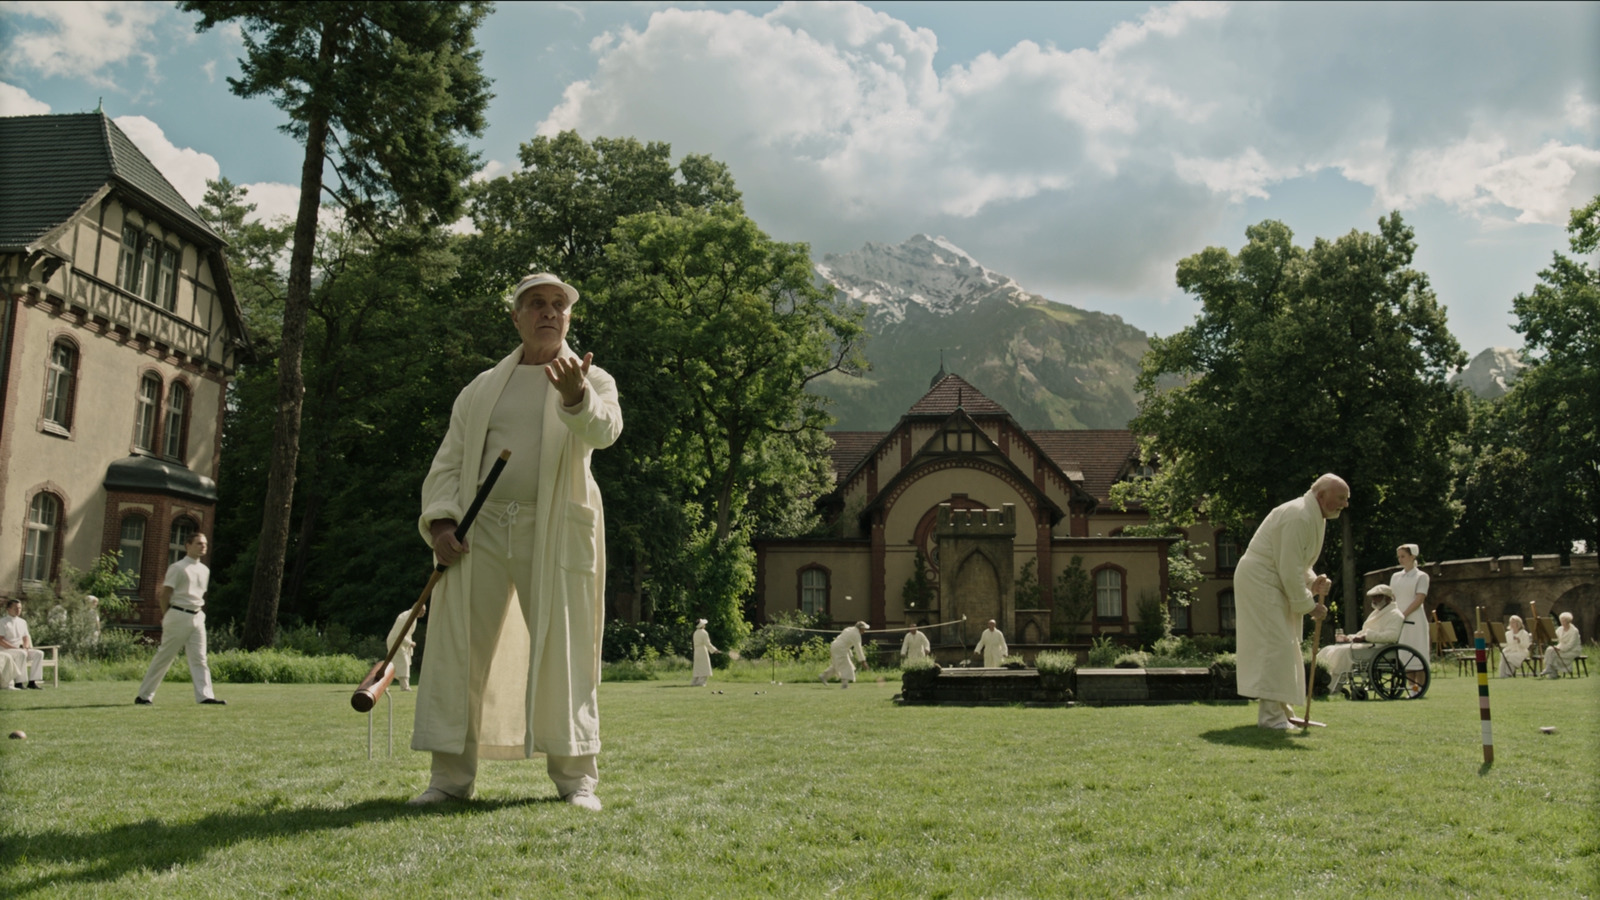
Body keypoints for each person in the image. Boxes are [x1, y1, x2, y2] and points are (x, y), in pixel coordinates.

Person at [410, 272, 622, 811]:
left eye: (558, 305)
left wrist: (576, 399)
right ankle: (449, 780)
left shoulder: (593, 379)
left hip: (555, 529)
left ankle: (578, 782)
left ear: (569, 318)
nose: (548, 312)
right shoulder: (481, 388)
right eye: (536, 304)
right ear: (516, 316)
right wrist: (440, 524)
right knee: (460, 648)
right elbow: (450, 462)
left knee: (564, 648)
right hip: (478, 532)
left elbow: (605, 432)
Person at [1235, 474, 1344, 730]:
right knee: (1276, 645)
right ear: (1321, 496)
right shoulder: (1299, 515)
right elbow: (1287, 566)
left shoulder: (1313, 516)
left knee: (1286, 644)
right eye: (1340, 498)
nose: (1345, 504)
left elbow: (1297, 564)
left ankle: (1282, 712)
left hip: (1274, 579)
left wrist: (1313, 581)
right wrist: (1309, 605)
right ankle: (1271, 717)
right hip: (1261, 580)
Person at [135, 533, 225, 705]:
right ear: (188, 545)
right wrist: (167, 614)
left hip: (197, 616)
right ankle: (144, 696)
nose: (203, 546)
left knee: (200, 658)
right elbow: (164, 594)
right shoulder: (178, 568)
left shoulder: (204, 570)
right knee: (165, 657)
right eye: (199, 543)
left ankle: (205, 696)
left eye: (205, 544)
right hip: (178, 614)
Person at [1315, 585, 1404, 692]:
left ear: (1388, 598)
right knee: (1328, 649)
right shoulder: (1376, 613)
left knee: (1343, 651)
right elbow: (1363, 632)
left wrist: (1366, 636)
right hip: (1368, 645)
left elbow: (1391, 636)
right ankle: (1319, 681)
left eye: (1377, 596)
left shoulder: (1396, 615)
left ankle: (1332, 687)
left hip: (1380, 647)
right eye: (1373, 597)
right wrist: (1349, 638)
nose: (1374, 600)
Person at [1390, 544, 1430, 693]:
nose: (1400, 559)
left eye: (1403, 556)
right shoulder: (1395, 577)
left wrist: (1404, 614)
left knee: (1417, 655)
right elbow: (1393, 598)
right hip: (1400, 621)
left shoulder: (1421, 576)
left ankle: (1418, 689)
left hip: (1415, 620)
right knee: (1405, 656)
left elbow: (1419, 598)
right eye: (1399, 557)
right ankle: (1410, 688)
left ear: (1412, 556)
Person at [0, 599, 46, 689]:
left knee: (39, 653)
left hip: (20, 650)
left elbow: (26, 637)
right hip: (6, 650)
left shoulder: (22, 622)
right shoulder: (2, 622)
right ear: (8, 609)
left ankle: (32, 682)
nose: (18, 610)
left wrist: (26, 646)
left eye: (20, 608)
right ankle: (19, 683)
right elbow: (0, 640)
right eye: (15, 608)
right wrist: (16, 648)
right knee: (22, 653)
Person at [386, 604, 425, 692]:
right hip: (396, 642)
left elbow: (407, 634)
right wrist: (410, 643)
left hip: (401, 643)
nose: (424, 613)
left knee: (394, 665)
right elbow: (399, 634)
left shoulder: (412, 616)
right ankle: (404, 687)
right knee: (403, 663)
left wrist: (409, 644)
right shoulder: (406, 617)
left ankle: (384, 685)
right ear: (418, 609)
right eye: (422, 611)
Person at [820, 621, 870, 688]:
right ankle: (844, 685)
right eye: (864, 629)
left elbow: (845, 641)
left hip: (835, 646)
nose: (864, 631)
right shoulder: (856, 634)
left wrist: (850, 653)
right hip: (840, 649)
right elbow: (858, 649)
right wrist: (863, 661)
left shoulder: (849, 629)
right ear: (860, 628)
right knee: (847, 666)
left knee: (837, 665)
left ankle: (823, 676)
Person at [1542, 612, 1582, 679]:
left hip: (1573, 650)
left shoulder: (1574, 631)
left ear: (1568, 621)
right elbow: (1554, 638)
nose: (1562, 622)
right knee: (1549, 649)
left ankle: (1552, 673)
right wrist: (1547, 636)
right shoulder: (1559, 629)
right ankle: (1549, 669)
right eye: (1561, 620)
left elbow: (1571, 645)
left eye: (1564, 621)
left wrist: (1560, 649)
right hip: (1561, 647)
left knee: (1554, 655)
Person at [690, 619, 720, 687]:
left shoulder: (695, 632)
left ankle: (694, 682)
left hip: (696, 651)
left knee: (697, 666)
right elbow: (707, 643)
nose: (705, 625)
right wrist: (714, 650)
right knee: (704, 666)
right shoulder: (704, 632)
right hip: (702, 651)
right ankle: (701, 683)